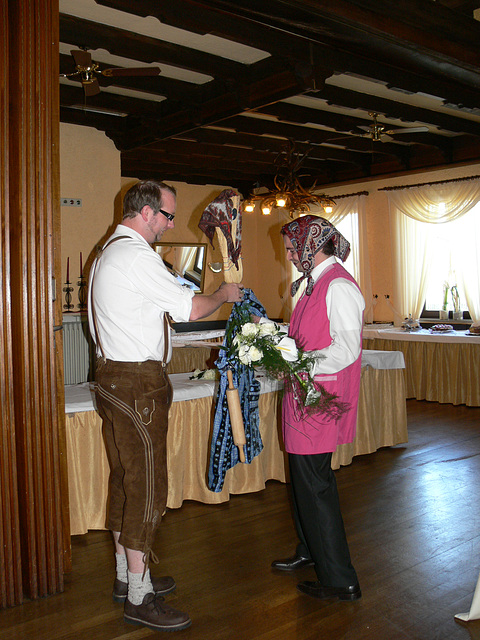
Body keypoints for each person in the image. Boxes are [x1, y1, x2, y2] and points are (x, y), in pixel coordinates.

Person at [88, 179, 244, 632]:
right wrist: (221, 296)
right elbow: (188, 308)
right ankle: (140, 596)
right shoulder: (136, 255)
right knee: (147, 487)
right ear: (147, 213)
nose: (170, 224)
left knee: (125, 479)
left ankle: (126, 575)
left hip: (113, 377)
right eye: (168, 216)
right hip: (137, 381)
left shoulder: (106, 254)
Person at [270, 214, 365, 602]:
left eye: (293, 248)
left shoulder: (338, 286)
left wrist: (297, 361)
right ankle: (310, 549)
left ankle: (340, 578)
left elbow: (346, 350)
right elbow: (305, 337)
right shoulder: (314, 284)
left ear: (311, 246)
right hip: (304, 395)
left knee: (315, 486)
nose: (290, 255)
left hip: (319, 401)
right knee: (302, 482)